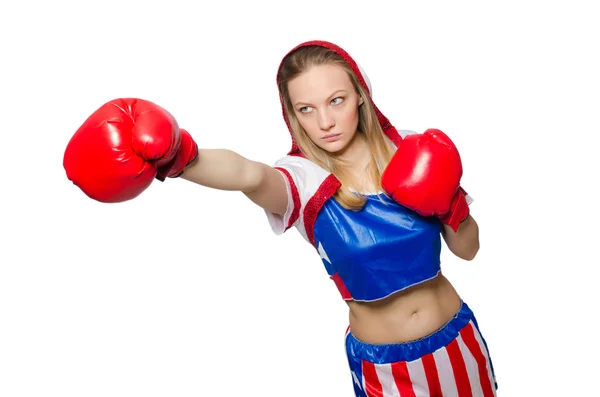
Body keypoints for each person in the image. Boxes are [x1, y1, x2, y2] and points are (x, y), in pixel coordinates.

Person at [64, 40, 497, 396]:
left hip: (457, 340)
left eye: (336, 100)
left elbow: (469, 249)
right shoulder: (302, 179)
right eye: (306, 109)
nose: (325, 121)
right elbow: (246, 174)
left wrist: (450, 204)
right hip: (387, 370)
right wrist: (178, 157)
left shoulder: (412, 149)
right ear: (292, 114)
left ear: (360, 95)